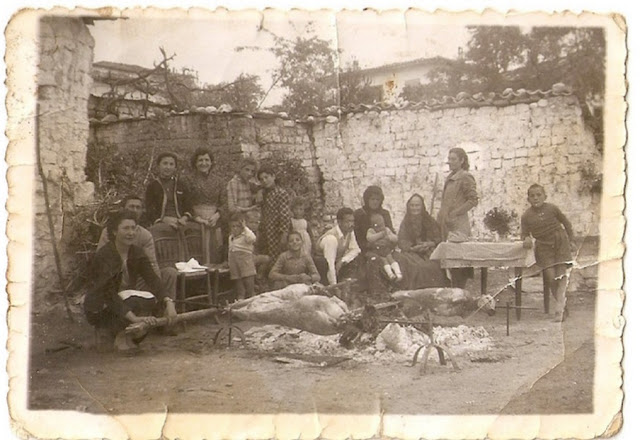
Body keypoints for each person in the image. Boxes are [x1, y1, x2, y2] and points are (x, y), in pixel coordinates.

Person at [83, 211, 177, 351]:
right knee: (131, 301)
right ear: (114, 231)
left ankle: (123, 334)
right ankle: (110, 331)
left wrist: (169, 303)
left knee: (150, 299)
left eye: (134, 228)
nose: (131, 232)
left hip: (123, 300)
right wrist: (134, 318)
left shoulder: (136, 252)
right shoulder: (105, 255)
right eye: (125, 228)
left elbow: (153, 280)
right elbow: (108, 294)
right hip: (101, 305)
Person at [97, 195, 178, 302]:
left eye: (138, 207)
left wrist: (159, 291)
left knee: (169, 273)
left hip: (139, 276)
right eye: (131, 207)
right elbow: (100, 261)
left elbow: (152, 264)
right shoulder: (109, 231)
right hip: (116, 276)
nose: (135, 210)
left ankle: (165, 308)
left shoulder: (145, 235)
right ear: (123, 209)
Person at [521, 184, 576, 322]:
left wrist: (571, 240)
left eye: (538, 195)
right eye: (532, 196)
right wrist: (526, 238)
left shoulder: (552, 208)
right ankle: (562, 305)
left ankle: (560, 310)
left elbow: (567, 224)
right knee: (551, 277)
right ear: (528, 199)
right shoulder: (526, 216)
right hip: (543, 247)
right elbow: (524, 233)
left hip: (560, 242)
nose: (535, 198)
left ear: (545, 196)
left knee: (561, 275)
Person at [437, 147, 479, 288]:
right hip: (446, 224)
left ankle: (460, 292)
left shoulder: (465, 176)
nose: (450, 162)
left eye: (453, 159)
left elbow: (473, 200)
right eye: (449, 159)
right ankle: (454, 293)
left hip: (458, 225)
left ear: (462, 161)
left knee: (459, 261)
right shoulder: (450, 177)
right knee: (448, 261)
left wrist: (455, 213)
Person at [396, 193, 448, 288]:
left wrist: (429, 243)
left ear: (422, 206)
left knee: (433, 266)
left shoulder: (429, 220)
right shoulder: (405, 222)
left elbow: (438, 238)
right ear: (408, 206)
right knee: (415, 267)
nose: (414, 208)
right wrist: (413, 248)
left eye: (417, 205)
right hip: (411, 253)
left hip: (428, 251)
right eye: (412, 205)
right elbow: (401, 240)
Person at [353, 185, 397, 293]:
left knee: (397, 259)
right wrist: (369, 245)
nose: (375, 202)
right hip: (367, 249)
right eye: (372, 199)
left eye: (378, 199)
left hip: (384, 247)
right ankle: (379, 292)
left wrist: (388, 242)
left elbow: (390, 231)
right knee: (374, 262)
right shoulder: (359, 214)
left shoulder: (384, 214)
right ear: (366, 199)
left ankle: (396, 286)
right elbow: (357, 237)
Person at [185, 147, 225, 263]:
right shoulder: (188, 180)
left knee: (216, 250)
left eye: (207, 160)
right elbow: (186, 202)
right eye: (200, 160)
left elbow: (224, 202)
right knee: (196, 252)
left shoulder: (219, 181)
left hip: (214, 221)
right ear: (195, 163)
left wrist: (217, 215)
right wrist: (197, 218)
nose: (204, 163)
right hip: (195, 221)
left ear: (211, 162)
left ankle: (215, 279)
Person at [145, 152, 193, 228]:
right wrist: (163, 220)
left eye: (171, 164)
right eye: (165, 163)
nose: (168, 167)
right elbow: (150, 208)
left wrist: (184, 218)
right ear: (158, 166)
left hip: (181, 221)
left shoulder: (181, 185)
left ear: (175, 168)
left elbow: (189, 205)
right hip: (161, 222)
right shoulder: (152, 186)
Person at [314, 207, 360, 285]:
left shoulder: (349, 232)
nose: (351, 224)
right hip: (323, 266)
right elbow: (330, 264)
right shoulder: (331, 238)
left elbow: (356, 250)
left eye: (352, 221)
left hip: (336, 263)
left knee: (355, 258)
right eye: (348, 221)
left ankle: (346, 284)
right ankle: (331, 286)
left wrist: (342, 261)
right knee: (325, 265)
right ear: (339, 222)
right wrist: (334, 285)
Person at [257, 166, 291, 260]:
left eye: (266, 177)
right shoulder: (264, 193)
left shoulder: (281, 193)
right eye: (261, 179)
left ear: (273, 176)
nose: (264, 180)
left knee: (279, 258)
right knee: (269, 259)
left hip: (277, 232)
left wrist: (284, 234)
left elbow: (285, 216)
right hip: (267, 232)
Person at [228, 213, 257, 300]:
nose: (235, 228)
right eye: (233, 226)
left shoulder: (246, 236)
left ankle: (252, 299)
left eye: (238, 226)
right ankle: (240, 298)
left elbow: (253, 238)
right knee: (238, 282)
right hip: (234, 263)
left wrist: (245, 227)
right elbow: (230, 250)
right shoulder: (231, 237)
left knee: (248, 283)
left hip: (245, 262)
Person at [366, 213, 402, 281]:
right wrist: (380, 235)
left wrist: (389, 237)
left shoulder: (386, 230)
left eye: (382, 225)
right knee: (384, 261)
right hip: (377, 251)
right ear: (373, 226)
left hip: (386, 249)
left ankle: (398, 273)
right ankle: (390, 274)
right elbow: (369, 238)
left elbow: (396, 238)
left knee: (390, 259)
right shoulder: (371, 231)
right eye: (378, 226)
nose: (381, 228)